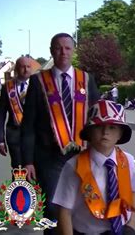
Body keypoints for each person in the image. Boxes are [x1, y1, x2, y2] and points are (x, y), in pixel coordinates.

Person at [20, 33, 100, 234]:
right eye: (58, 48)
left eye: (67, 48)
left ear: (73, 51)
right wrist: (28, 161)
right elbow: (28, 124)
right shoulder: (39, 82)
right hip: (49, 157)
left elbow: (97, 116)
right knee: (54, 210)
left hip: (82, 155)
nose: (62, 52)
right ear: (51, 51)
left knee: (82, 207)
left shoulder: (86, 79)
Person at [53, 99, 135, 235]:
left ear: (120, 134)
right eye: (99, 127)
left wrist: (131, 225)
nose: (105, 132)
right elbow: (64, 210)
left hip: (120, 230)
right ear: (89, 133)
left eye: (112, 127)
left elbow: (133, 191)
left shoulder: (127, 160)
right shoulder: (74, 165)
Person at [0, 56, 32, 169]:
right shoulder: (7, 87)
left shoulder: (39, 85)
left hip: (34, 137)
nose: (26, 69)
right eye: (22, 67)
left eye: (28, 66)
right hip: (14, 136)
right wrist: (0, 140)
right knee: (19, 170)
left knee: (34, 172)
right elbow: (1, 115)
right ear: (16, 69)